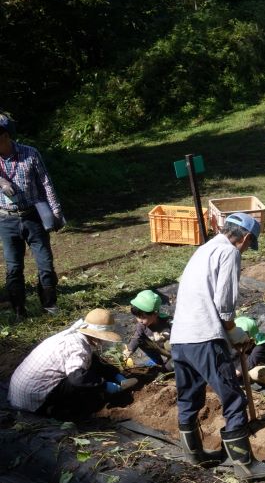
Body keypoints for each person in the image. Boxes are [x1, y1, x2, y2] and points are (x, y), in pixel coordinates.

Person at [171, 212, 265, 480]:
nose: (246, 249)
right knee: (233, 398)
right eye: (249, 244)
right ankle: (244, 465)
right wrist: (234, 332)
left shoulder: (205, 249)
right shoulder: (229, 252)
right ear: (245, 237)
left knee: (189, 396)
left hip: (180, 337)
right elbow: (224, 304)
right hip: (204, 336)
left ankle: (193, 454)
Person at [8, 308, 136, 417]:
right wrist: (104, 385)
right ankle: (56, 410)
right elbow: (78, 379)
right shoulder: (78, 347)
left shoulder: (74, 336)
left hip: (20, 390)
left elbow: (93, 361)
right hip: (33, 399)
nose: (103, 341)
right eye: (102, 337)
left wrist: (115, 374)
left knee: (90, 367)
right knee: (89, 395)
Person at [0, 114, 64, 317]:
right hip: (6, 219)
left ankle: (49, 305)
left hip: (33, 216)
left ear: (6, 136)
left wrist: (56, 211)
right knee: (13, 268)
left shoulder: (30, 153)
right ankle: (19, 311)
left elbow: (46, 183)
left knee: (45, 264)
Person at [125, 290, 173, 369]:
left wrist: (164, 337)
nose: (140, 320)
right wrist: (129, 350)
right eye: (137, 317)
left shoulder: (168, 322)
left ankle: (169, 363)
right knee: (140, 341)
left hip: (175, 352)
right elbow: (137, 337)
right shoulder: (142, 325)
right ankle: (158, 361)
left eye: (143, 317)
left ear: (155, 314)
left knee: (166, 369)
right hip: (159, 349)